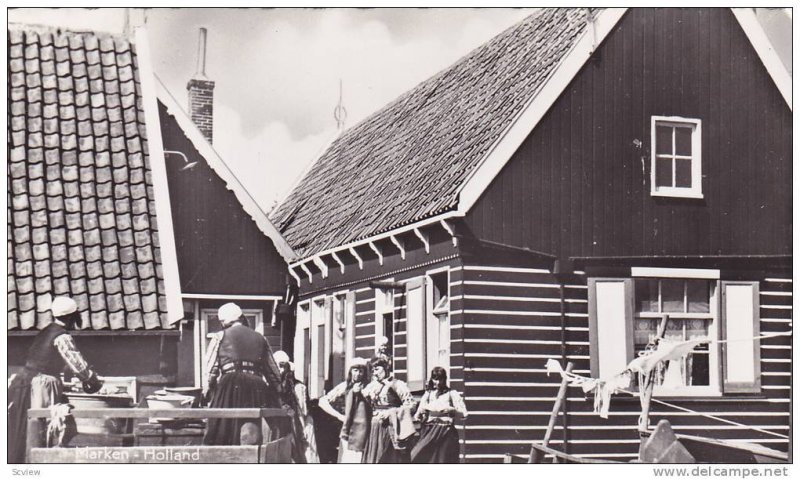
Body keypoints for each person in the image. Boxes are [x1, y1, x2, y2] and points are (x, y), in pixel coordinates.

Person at [7, 297, 103, 463]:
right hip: (41, 385)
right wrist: (92, 379)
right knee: (44, 429)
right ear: (72, 317)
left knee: (21, 429)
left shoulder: (45, 331)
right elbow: (77, 364)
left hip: (24, 382)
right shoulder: (62, 336)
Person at [203, 302, 284, 446]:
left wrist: (207, 390)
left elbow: (210, 368)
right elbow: (273, 371)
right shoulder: (261, 338)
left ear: (224, 321)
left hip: (230, 383)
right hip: (255, 385)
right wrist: (279, 390)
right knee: (251, 426)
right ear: (241, 318)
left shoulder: (220, 336)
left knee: (221, 426)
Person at [361, 356, 415, 463]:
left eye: (377, 369)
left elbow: (411, 405)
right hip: (374, 428)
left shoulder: (397, 384)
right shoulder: (371, 386)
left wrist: (392, 413)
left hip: (391, 427)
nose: (374, 373)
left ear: (385, 367)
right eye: (372, 371)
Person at [318, 357, 372, 463]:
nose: (358, 374)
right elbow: (322, 401)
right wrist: (339, 416)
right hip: (348, 429)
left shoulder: (368, 387)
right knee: (348, 458)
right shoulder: (344, 386)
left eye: (361, 371)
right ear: (350, 371)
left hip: (365, 430)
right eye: (355, 370)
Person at [410, 367, 468, 463]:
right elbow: (417, 415)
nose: (438, 382)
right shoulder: (428, 394)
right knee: (419, 456)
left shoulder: (452, 394)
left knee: (443, 460)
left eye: (440, 379)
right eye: (435, 379)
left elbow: (464, 414)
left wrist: (452, 410)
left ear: (445, 379)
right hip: (429, 431)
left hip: (446, 431)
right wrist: (421, 414)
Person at [273, 350, 320, 463]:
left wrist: (300, 431)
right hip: (285, 425)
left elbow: (301, 412)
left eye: (282, 366)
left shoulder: (298, 387)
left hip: (301, 423)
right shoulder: (274, 386)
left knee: (305, 453)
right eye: (277, 367)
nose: (280, 370)